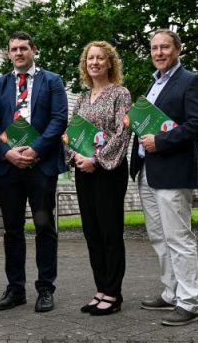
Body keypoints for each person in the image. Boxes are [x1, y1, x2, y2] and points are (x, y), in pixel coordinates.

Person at [129, 28, 198, 326]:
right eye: (154, 48)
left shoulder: (191, 81)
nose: (159, 53)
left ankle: (189, 303)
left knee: (178, 238)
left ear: (178, 49)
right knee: (158, 236)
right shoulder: (153, 84)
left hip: (173, 172)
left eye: (165, 47)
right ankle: (171, 292)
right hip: (147, 171)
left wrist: (161, 142)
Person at [0, 31, 68, 313]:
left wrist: (35, 150)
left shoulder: (52, 81)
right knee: (12, 229)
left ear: (33, 50)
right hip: (8, 168)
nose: (19, 53)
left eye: (23, 48)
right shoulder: (0, 85)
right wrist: (7, 152)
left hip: (41, 167)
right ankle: (16, 289)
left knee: (44, 227)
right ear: (8, 53)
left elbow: (59, 119)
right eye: (14, 49)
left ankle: (45, 288)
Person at [65, 41, 132, 316]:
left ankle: (113, 294)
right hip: (84, 172)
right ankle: (101, 288)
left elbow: (123, 133)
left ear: (109, 63)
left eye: (100, 58)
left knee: (109, 231)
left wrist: (96, 159)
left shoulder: (120, 94)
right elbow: (71, 133)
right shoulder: (82, 98)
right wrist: (77, 157)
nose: (94, 63)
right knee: (91, 231)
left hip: (109, 171)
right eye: (90, 58)